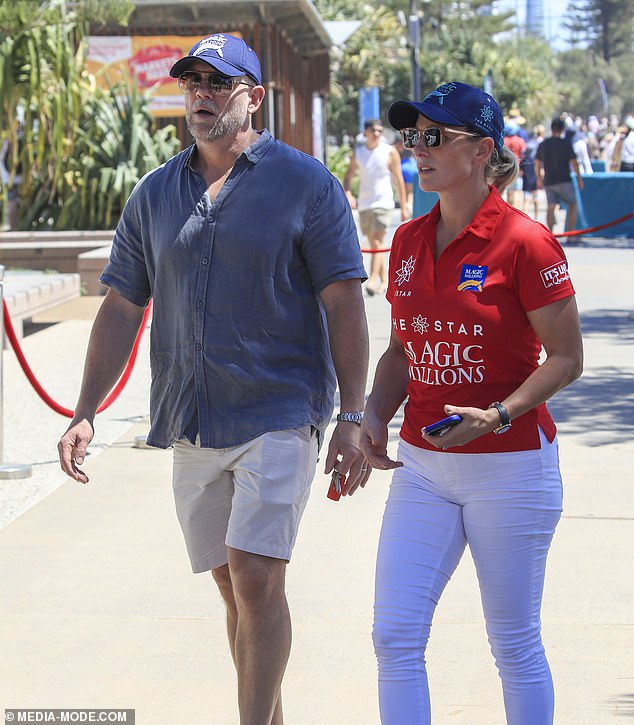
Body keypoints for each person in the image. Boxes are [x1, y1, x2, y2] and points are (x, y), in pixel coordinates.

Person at [57, 32, 370, 725]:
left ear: (253, 98)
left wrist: (354, 415)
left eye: (217, 83)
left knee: (258, 575)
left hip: (281, 409)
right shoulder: (153, 195)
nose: (200, 94)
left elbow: (344, 301)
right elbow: (121, 304)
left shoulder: (306, 184)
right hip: (193, 414)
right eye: (192, 82)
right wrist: (85, 408)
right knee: (234, 586)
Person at [360, 81, 583, 724]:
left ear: (483, 150)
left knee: (513, 646)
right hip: (422, 467)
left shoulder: (527, 242)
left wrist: (499, 413)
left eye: (435, 137)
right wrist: (373, 415)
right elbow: (402, 352)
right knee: (394, 636)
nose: (418, 150)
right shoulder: (405, 242)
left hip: (510, 468)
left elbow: (567, 360)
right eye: (411, 137)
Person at [343, 119, 409, 296]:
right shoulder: (359, 153)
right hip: (365, 204)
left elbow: (398, 179)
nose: (378, 133)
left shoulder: (390, 151)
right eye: (374, 130)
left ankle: (372, 280)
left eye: (380, 130)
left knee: (377, 242)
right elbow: (348, 176)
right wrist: (348, 194)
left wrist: (403, 206)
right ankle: (385, 282)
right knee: (373, 243)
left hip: (384, 202)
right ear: (366, 132)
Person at [535, 117, 584, 233]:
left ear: (551, 129)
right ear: (562, 129)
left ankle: (551, 234)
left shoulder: (544, 144)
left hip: (549, 181)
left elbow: (537, 162)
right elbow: (574, 162)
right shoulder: (566, 144)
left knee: (551, 207)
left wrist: (539, 178)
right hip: (564, 180)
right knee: (573, 205)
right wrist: (579, 178)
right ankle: (570, 233)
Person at [521, 124, 544, 219]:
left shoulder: (529, 144)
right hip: (535, 171)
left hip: (527, 171)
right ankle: (536, 218)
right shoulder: (542, 144)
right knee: (535, 196)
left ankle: (525, 218)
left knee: (526, 197)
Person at [502, 122, 526, 208]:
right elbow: (523, 155)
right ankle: (515, 209)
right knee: (516, 191)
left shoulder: (504, 141)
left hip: (505, 168)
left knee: (508, 190)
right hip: (517, 168)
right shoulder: (520, 141)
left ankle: (509, 208)